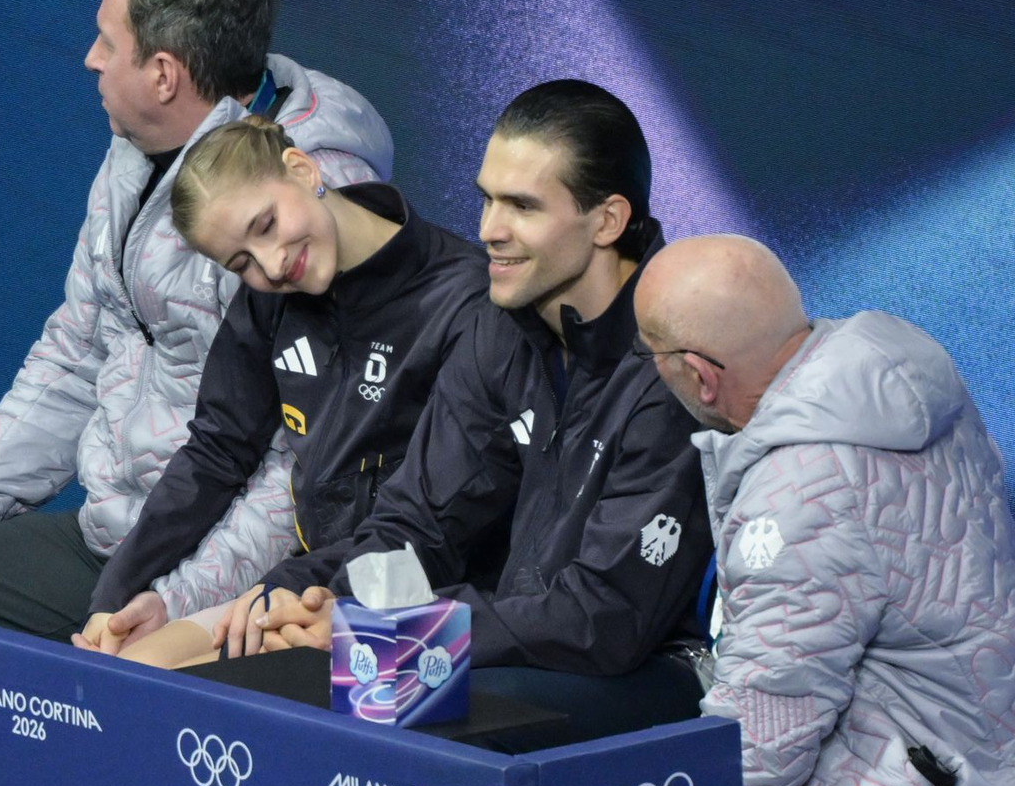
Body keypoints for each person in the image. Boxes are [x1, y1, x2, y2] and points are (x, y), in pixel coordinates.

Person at [0, 0, 392, 643]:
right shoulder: (133, 150)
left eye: (106, 42)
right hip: (118, 539)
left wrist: (172, 601)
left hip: (251, 581)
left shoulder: (303, 210)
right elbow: (78, 348)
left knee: (113, 704)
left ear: (163, 74)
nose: (90, 59)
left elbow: (303, 464)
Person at [633, 234, 1015, 786]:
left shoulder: (801, 488)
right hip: (969, 736)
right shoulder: (886, 376)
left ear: (700, 375)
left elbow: (761, 737)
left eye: (652, 356)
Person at [242, 81, 714, 748]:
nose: (489, 228)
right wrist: (318, 594)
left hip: (650, 668)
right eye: (487, 198)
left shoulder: (672, 361)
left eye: (520, 205)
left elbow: (605, 618)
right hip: (519, 642)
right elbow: (419, 521)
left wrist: (398, 630)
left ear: (607, 220)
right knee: (281, 675)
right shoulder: (503, 328)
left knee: (378, 698)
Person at [76, 114, 490, 664]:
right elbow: (217, 450)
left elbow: (431, 524)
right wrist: (117, 594)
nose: (271, 264)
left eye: (266, 224)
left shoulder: (466, 301)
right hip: (311, 586)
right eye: (240, 262)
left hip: (419, 599)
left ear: (301, 169)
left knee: (161, 682)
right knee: (124, 662)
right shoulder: (272, 295)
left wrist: (291, 586)